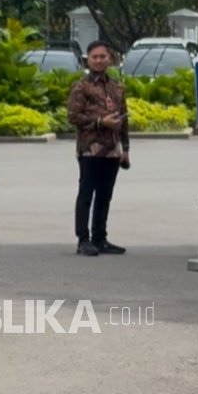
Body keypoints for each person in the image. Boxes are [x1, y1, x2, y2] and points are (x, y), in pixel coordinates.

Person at [67, 40, 130, 256]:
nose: (99, 60)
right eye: (95, 57)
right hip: (90, 149)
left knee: (105, 195)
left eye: (103, 56)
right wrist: (101, 122)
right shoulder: (81, 87)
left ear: (110, 58)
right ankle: (83, 240)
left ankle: (100, 238)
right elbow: (73, 116)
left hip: (112, 150)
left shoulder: (117, 87)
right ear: (88, 60)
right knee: (87, 193)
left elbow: (124, 119)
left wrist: (126, 148)